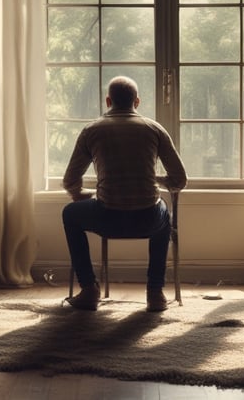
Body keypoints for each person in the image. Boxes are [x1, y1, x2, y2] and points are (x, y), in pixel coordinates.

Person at [62, 76, 187, 312]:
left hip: (106, 218)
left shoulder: (91, 131)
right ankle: (155, 293)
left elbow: (70, 181)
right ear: (137, 102)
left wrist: (82, 194)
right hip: (147, 220)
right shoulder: (154, 129)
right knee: (164, 216)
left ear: (108, 101)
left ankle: (89, 289)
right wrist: (151, 179)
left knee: (70, 214)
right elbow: (180, 180)